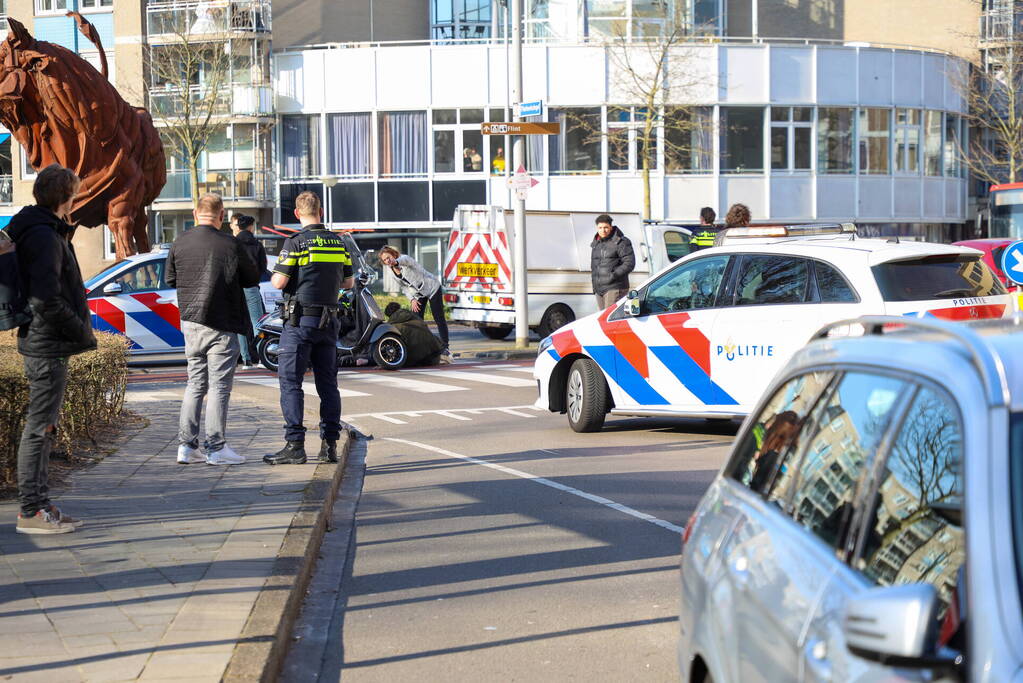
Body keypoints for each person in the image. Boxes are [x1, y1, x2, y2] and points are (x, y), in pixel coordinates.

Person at [9, 164, 95, 534]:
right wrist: (80, 332)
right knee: (39, 428)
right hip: (47, 343)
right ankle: (31, 511)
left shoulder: (39, 228)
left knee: (45, 427)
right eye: (75, 193)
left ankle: (41, 505)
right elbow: (46, 299)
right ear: (66, 197)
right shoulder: (44, 236)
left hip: (44, 341)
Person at [167, 193, 260, 466]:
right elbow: (252, 277)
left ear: (195, 214)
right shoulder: (230, 243)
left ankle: (186, 447)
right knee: (219, 387)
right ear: (221, 216)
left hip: (191, 322)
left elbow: (171, 277)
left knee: (195, 384)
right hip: (221, 322)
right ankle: (216, 448)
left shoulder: (180, 241)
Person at [264, 191, 354, 465]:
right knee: (328, 384)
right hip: (329, 322)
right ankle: (329, 446)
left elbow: (279, 282)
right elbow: (348, 284)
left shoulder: (296, 243)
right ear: (321, 212)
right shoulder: (339, 243)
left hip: (300, 322)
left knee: (291, 382)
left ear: (296, 214)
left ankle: (295, 445)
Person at [378, 245, 451, 362]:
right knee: (416, 321)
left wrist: (396, 262)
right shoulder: (392, 273)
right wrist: (412, 299)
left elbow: (404, 261)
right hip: (418, 294)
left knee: (439, 318)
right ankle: (423, 349)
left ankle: (445, 347)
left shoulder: (404, 259)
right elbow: (404, 288)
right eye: (385, 260)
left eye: (389, 257)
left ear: (393, 254)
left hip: (431, 287)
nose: (388, 261)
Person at [230, 213, 267, 368]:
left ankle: (246, 360)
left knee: (241, 325)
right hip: (251, 287)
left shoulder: (232, 243)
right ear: (251, 227)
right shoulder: (257, 244)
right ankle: (261, 356)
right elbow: (263, 268)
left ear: (238, 227)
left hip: (236, 288)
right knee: (258, 323)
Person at [590, 213, 636, 309]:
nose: (603, 230)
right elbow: (594, 266)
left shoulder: (621, 242)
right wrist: (595, 286)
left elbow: (629, 263)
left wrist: (613, 275)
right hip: (599, 289)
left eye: (606, 227)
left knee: (612, 319)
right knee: (603, 319)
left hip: (615, 287)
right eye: (600, 227)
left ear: (611, 227)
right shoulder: (596, 244)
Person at [384, 302, 445, 366]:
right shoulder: (414, 317)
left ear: (389, 315)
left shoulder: (393, 327)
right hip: (434, 357)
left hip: (418, 359)